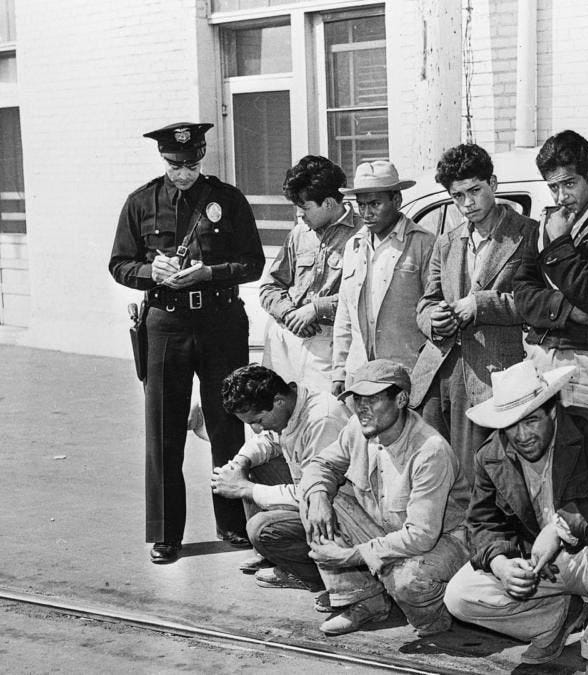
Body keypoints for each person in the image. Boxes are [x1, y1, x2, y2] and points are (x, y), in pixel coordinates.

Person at [109, 122, 265, 563]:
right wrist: (149, 272)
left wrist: (210, 273)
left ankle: (233, 522)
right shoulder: (141, 202)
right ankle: (165, 533)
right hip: (166, 324)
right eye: (176, 166)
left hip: (220, 321)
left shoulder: (228, 199)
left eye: (192, 164)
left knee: (226, 424)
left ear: (202, 158)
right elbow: (119, 263)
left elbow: (252, 263)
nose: (184, 174)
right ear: (163, 160)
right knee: (164, 429)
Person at [444, 361, 588, 674]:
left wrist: (560, 526)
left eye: (532, 421)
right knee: (460, 596)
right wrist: (501, 563)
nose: (522, 435)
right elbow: (482, 524)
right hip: (539, 568)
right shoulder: (490, 455)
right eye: (511, 425)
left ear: (553, 412)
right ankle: (557, 618)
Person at [297, 359, 471, 636]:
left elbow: (422, 535)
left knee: (408, 581)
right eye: (357, 399)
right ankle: (367, 602)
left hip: (443, 540)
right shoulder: (358, 427)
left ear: (401, 399)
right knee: (314, 497)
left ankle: (435, 617)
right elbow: (320, 465)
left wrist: (351, 556)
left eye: (372, 399)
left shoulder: (430, 449)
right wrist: (317, 495)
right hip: (388, 527)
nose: (361, 408)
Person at [411, 144, 537, 471]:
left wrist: (480, 305)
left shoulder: (528, 234)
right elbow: (427, 301)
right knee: (435, 470)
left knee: (478, 474)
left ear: (493, 184)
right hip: (438, 374)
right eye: (457, 196)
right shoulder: (447, 241)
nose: (467, 203)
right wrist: (432, 319)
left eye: (475, 191)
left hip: (490, 373)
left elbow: (534, 302)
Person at [512, 130, 588, 419]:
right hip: (540, 356)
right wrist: (566, 309)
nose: (562, 196)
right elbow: (522, 291)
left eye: (569, 183)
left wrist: (558, 244)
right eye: (553, 187)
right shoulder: (546, 224)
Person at [211, 364, 349, 587]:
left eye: (258, 420)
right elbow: (267, 440)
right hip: (313, 495)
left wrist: (245, 488)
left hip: (339, 509)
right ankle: (277, 557)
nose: (257, 428)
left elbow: (315, 496)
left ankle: (316, 576)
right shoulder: (292, 404)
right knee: (254, 465)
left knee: (260, 528)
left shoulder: (322, 421)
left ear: (278, 402)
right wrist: (240, 464)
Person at [331, 160, 434, 395]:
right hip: (360, 374)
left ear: (396, 200)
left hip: (407, 374)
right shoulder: (354, 246)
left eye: (375, 204)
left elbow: (433, 311)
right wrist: (339, 370)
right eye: (361, 205)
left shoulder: (423, 243)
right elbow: (345, 314)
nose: (366, 213)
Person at [260, 155, 361, 390]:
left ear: (328, 203)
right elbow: (270, 287)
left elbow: (363, 297)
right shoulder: (299, 234)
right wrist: (289, 314)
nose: (299, 216)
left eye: (304, 208)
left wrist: (316, 309)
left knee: (328, 418)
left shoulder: (362, 235)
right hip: (286, 341)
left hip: (331, 345)